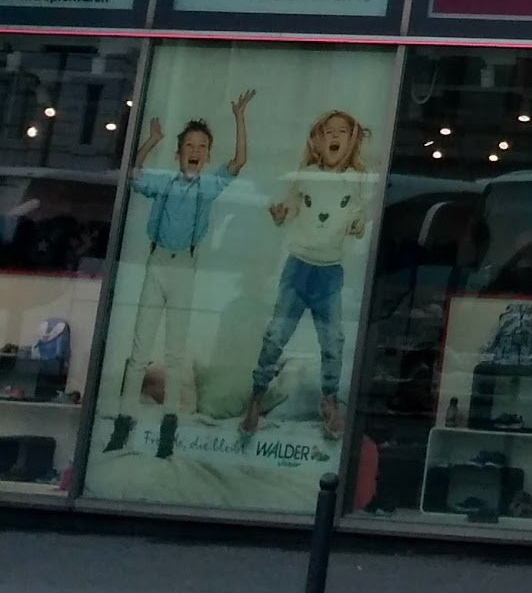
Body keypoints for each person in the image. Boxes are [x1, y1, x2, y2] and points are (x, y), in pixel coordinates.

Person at [105, 89, 252, 459]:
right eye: (189, 144)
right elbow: (136, 176)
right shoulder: (165, 182)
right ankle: (124, 425)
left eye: (202, 146)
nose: (195, 150)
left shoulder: (209, 185)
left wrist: (239, 115)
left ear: (207, 154)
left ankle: (168, 430)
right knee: (140, 350)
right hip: (158, 264)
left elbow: (239, 162)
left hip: (185, 267)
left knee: (173, 353)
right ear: (179, 152)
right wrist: (151, 140)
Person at [241, 106, 375, 439]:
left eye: (342, 131)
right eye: (328, 131)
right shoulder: (306, 175)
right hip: (298, 266)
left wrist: (358, 225)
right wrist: (279, 213)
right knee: (276, 335)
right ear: (318, 139)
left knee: (333, 341)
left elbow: (360, 220)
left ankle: (329, 400)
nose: (334, 136)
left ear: (352, 140)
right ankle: (256, 395)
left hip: (329, 272)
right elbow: (289, 209)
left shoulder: (358, 181)